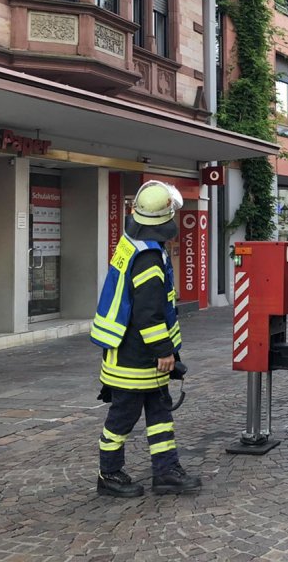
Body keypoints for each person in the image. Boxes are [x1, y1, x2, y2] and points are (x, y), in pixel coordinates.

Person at [90, 180, 201, 497]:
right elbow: (148, 312)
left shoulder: (132, 244)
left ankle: (166, 471)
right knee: (123, 415)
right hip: (135, 353)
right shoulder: (149, 258)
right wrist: (165, 352)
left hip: (129, 347)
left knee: (159, 411)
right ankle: (108, 474)